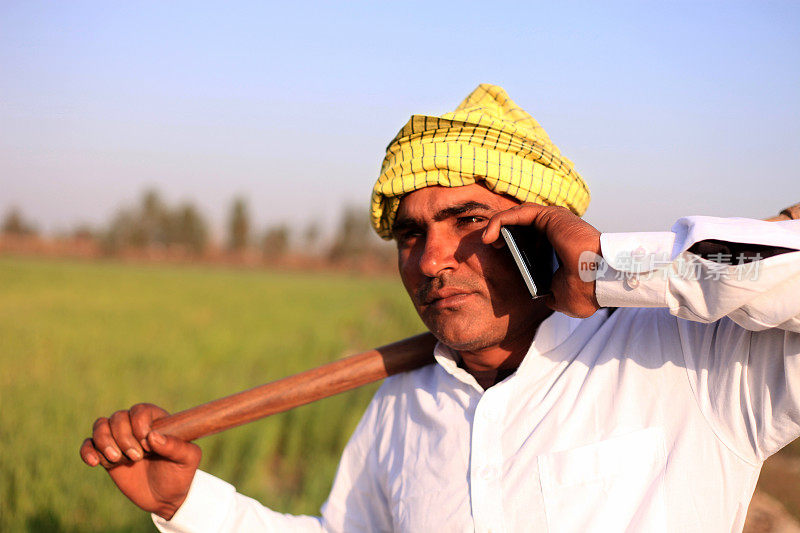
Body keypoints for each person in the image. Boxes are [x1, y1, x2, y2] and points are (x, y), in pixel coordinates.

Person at [80, 84, 800, 532]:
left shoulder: (692, 362)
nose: (430, 260)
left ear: (541, 226)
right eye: (411, 234)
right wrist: (187, 505)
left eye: (466, 220)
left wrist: (611, 264)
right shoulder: (403, 406)